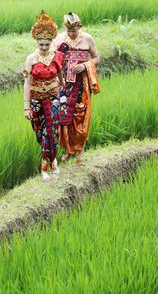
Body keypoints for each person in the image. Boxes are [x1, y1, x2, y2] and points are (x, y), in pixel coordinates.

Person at [53, 12, 101, 165]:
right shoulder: (59, 39)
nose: (71, 34)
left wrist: (85, 65)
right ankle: (68, 150)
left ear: (79, 28)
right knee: (64, 117)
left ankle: (80, 152)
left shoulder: (87, 39)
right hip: (64, 83)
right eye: (69, 31)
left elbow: (96, 58)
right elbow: (53, 59)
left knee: (81, 115)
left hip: (81, 84)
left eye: (74, 31)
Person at [23, 11, 65, 181]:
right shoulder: (30, 59)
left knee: (51, 131)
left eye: (47, 45)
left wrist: (61, 91)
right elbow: (27, 83)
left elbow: (60, 76)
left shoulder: (57, 57)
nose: (44, 48)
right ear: (37, 42)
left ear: (51, 42)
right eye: (41, 45)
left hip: (53, 99)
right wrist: (26, 106)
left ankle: (45, 166)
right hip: (36, 101)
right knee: (41, 133)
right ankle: (53, 158)